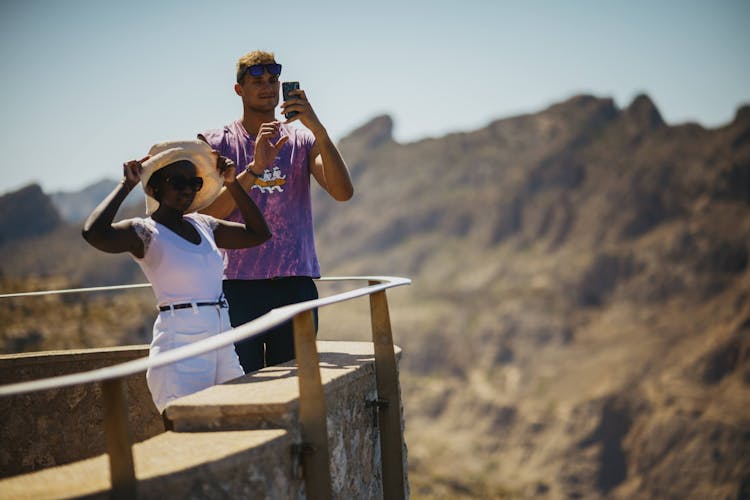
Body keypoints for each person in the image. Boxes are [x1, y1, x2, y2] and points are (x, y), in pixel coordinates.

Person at [82, 140, 271, 413]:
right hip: (180, 348)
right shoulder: (146, 233)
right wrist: (126, 185)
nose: (186, 189)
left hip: (222, 340)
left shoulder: (203, 224)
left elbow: (258, 234)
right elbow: (94, 233)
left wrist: (232, 184)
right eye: (177, 181)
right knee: (186, 431)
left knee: (237, 421)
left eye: (193, 183)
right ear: (156, 186)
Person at [199, 50, 354, 373]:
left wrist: (319, 129)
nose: (267, 87)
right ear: (238, 90)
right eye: (257, 81)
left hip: (294, 283)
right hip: (236, 285)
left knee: (298, 385)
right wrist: (255, 169)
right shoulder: (216, 143)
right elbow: (206, 216)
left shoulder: (302, 140)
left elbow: (342, 192)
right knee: (242, 384)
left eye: (273, 80)